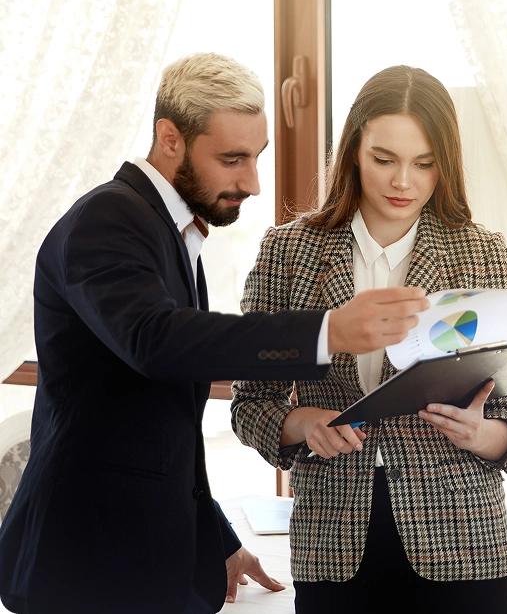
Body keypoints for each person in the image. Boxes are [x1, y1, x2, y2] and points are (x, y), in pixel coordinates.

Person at [0, 54, 429, 614]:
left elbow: (162, 425)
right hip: (85, 566)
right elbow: (159, 342)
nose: (251, 181)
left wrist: (216, 538)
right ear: (169, 138)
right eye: (232, 159)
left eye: (256, 158)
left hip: (143, 564)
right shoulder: (107, 220)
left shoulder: (171, 233)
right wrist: (328, 331)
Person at [231, 65, 507, 614]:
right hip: (333, 545)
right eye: (384, 159)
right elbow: (250, 404)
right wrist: (303, 424)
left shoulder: (482, 253)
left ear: (446, 164)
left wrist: (478, 433)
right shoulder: (287, 254)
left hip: (464, 545)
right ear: (352, 151)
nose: (402, 182)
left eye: (424, 164)